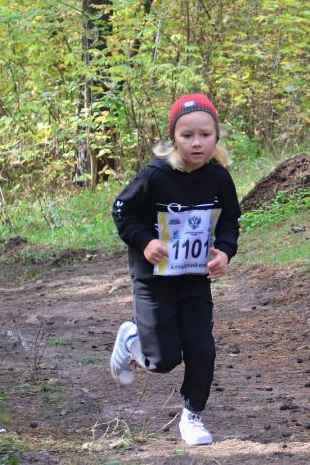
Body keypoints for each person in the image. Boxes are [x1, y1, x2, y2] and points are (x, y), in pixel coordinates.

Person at [109, 94, 241, 446]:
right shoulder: (155, 175)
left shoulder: (219, 178)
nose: (196, 143)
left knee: (202, 348)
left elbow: (230, 220)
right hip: (153, 279)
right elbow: (122, 210)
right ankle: (131, 339)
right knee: (162, 360)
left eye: (205, 134)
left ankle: (192, 416)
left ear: (216, 137)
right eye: (187, 135)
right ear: (173, 138)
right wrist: (146, 241)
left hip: (194, 277)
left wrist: (225, 252)